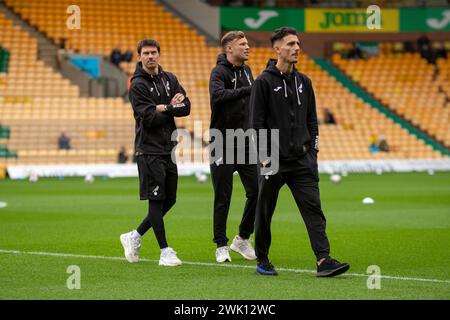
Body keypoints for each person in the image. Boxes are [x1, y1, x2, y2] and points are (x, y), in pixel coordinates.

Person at [249, 27, 349, 276]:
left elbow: (312, 121)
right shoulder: (263, 82)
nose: (296, 48)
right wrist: (264, 156)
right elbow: (256, 124)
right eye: (291, 44)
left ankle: (323, 260)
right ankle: (262, 258)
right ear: (278, 49)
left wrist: (312, 152)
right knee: (264, 211)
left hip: (302, 161)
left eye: (298, 43)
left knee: (314, 209)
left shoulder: (305, 82)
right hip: (273, 160)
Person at [120, 39, 190, 266]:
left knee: (171, 199)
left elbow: (186, 107)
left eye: (154, 52)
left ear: (159, 54)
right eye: (146, 53)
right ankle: (165, 251)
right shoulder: (137, 84)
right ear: (139, 57)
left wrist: (164, 107)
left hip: (168, 148)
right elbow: (148, 118)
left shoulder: (170, 78)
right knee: (156, 200)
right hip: (148, 149)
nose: (150, 56)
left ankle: (135, 235)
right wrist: (169, 107)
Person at [209, 31, 258, 263]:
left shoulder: (248, 72)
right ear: (229, 48)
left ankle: (242, 238)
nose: (247, 47)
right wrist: (248, 90)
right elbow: (217, 96)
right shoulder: (218, 72)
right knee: (223, 196)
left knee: (258, 191)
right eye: (243, 44)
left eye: (247, 43)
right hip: (221, 141)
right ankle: (220, 244)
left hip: (246, 142)